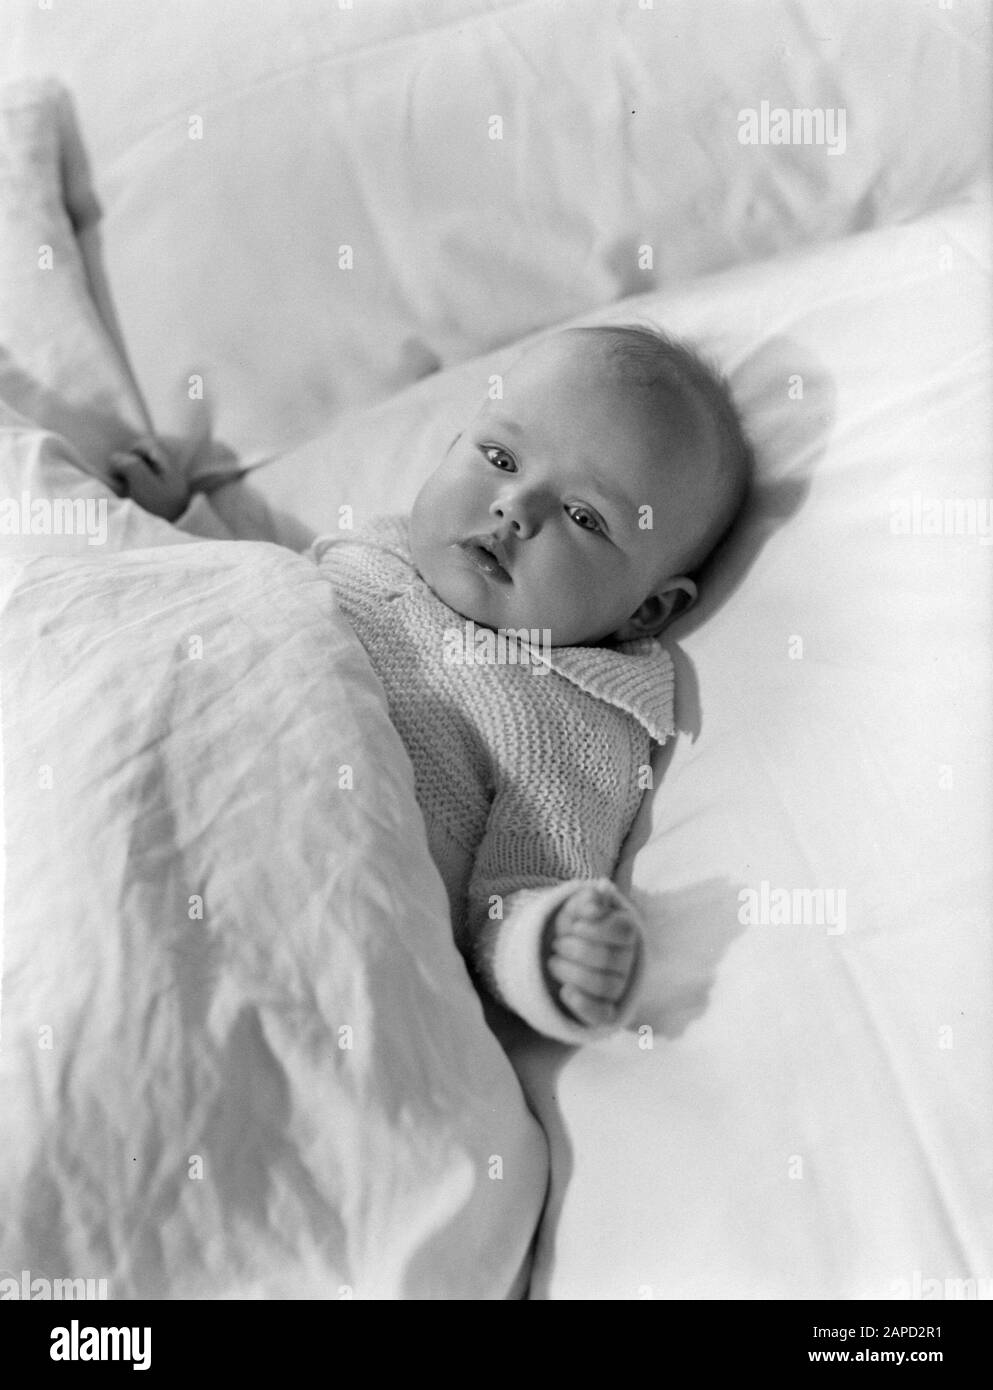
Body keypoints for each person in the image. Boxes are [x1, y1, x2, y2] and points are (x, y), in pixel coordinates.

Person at [113, 324, 753, 1044]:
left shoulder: (572, 714)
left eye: (583, 517)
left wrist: (551, 948)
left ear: (649, 608)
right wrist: (178, 522)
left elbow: (524, 889)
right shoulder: (373, 552)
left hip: (297, 881)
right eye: (500, 456)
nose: (516, 507)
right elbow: (247, 596)